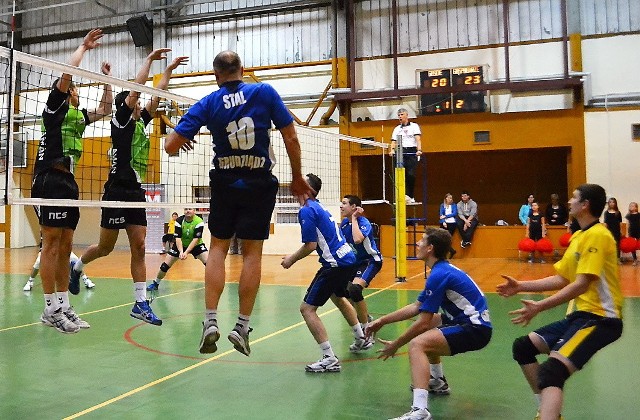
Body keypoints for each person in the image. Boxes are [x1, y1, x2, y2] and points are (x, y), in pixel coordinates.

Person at [163, 50, 314, 355]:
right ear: (242, 70)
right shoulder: (264, 92)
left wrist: (184, 135)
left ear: (216, 75)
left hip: (224, 183)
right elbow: (291, 138)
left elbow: (169, 146)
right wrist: (297, 176)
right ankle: (242, 326)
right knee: (252, 254)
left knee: (217, 248)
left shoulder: (208, 101)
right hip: (259, 183)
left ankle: (210, 321)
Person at [70, 49, 189, 327]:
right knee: (105, 248)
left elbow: (156, 95)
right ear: (129, 104)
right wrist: (148, 61)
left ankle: (140, 303)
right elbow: (138, 90)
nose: (141, 104)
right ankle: (76, 267)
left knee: (138, 245)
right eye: (136, 101)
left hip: (135, 192)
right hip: (116, 192)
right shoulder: (121, 121)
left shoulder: (140, 122)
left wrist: (169, 69)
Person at [497, 183, 623, 420]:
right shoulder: (579, 235)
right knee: (523, 347)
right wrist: (521, 286)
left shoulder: (598, 235)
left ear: (585, 205)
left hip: (602, 319)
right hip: (581, 316)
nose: (569, 202)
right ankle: (547, 411)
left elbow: (581, 284)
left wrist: (540, 306)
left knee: (552, 372)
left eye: (574, 198)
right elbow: (562, 278)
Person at [367, 227, 492, 420]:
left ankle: (420, 411)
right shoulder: (441, 270)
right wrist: (382, 321)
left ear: (430, 248)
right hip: (467, 322)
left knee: (417, 344)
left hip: (475, 329)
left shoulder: (438, 275)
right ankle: (436, 380)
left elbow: (423, 323)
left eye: (421, 241)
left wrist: (396, 344)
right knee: (430, 327)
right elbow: (417, 306)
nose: (417, 244)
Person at [31, 29, 105, 333]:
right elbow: (66, 73)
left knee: (65, 245)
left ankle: (63, 305)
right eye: (72, 87)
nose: (74, 89)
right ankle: (49, 309)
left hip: (69, 182)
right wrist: (83, 48)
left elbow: (105, 111)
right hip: (48, 178)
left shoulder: (77, 116)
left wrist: (107, 84)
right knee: (50, 244)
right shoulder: (54, 108)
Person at [281, 174, 363, 372]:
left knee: (307, 309)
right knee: (337, 297)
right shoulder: (320, 207)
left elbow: (310, 245)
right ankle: (361, 337)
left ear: (309, 190)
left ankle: (329, 357)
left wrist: (290, 259)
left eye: (301, 182)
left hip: (335, 264)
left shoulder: (308, 211)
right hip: (347, 259)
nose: (295, 183)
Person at [339, 194, 383, 352]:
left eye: (344, 203)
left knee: (355, 289)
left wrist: (356, 219)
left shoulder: (364, 223)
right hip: (354, 263)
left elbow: (357, 239)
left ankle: (367, 331)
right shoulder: (343, 225)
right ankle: (366, 317)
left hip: (371, 261)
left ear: (354, 207)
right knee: (343, 291)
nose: (341, 206)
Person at [147, 208, 208, 291]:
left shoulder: (199, 221)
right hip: (180, 244)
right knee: (164, 266)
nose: (188, 211)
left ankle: (213, 282)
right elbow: (178, 238)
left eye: (190, 209)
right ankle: (155, 283)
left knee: (209, 263)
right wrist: (181, 252)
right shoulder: (179, 220)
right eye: (186, 209)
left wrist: (186, 252)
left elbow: (196, 239)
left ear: (194, 211)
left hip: (196, 245)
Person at [24, 247, 94, 292]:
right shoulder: (47, 229)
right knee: (38, 262)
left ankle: (86, 279)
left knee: (75, 260)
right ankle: (30, 282)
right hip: (48, 250)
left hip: (63, 249)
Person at [389, 108, 422, 202]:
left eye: (402, 114)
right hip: (400, 152)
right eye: (399, 115)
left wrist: (419, 150)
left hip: (411, 152)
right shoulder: (397, 129)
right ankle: (400, 196)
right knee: (399, 175)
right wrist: (392, 150)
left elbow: (418, 139)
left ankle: (410, 196)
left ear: (407, 115)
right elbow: (393, 141)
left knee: (411, 175)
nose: (400, 116)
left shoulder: (414, 126)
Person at [603, 197, 622, 262]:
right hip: (609, 231)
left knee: (617, 244)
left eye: (613, 202)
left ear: (615, 203)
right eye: (610, 202)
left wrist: (621, 231)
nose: (612, 203)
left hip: (616, 231)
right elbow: (605, 223)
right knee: (609, 244)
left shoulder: (618, 212)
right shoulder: (606, 212)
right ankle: (609, 258)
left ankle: (618, 259)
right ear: (608, 203)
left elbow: (620, 223)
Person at [438, 193, 458, 258]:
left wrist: (446, 216)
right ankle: (451, 251)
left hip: (452, 223)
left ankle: (450, 251)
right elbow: (441, 215)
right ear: (446, 198)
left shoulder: (454, 205)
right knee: (441, 238)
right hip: (444, 223)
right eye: (449, 198)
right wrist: (443, 221)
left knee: (447, 239)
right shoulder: (442, 205)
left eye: (451, 198)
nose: (450, 199)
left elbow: (454, 213)